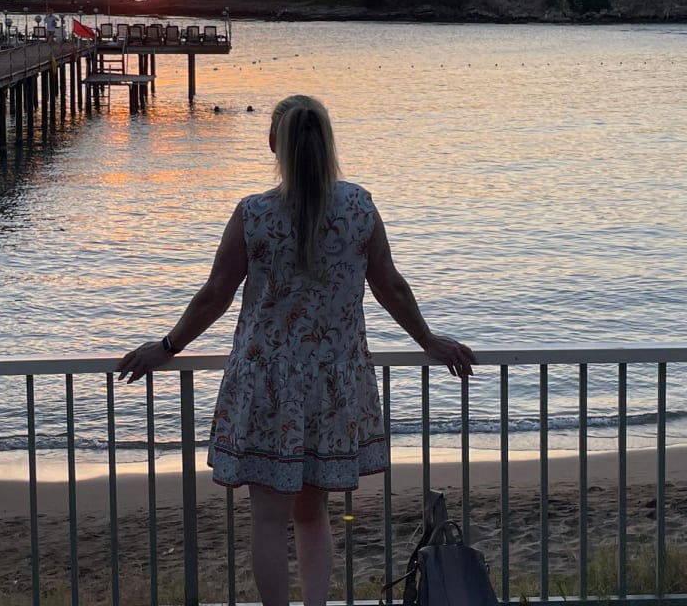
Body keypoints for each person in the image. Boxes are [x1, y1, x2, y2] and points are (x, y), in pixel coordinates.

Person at [117, 94, 476, 606]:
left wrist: (168, 346)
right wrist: (428, 341)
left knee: (267, 520)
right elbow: (390, 285)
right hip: (333, 384)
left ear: (273, 145)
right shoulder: (359, 207)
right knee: (313, 516)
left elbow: (215, 294)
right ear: (329, 142)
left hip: (267, 384)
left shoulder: (254, 215)